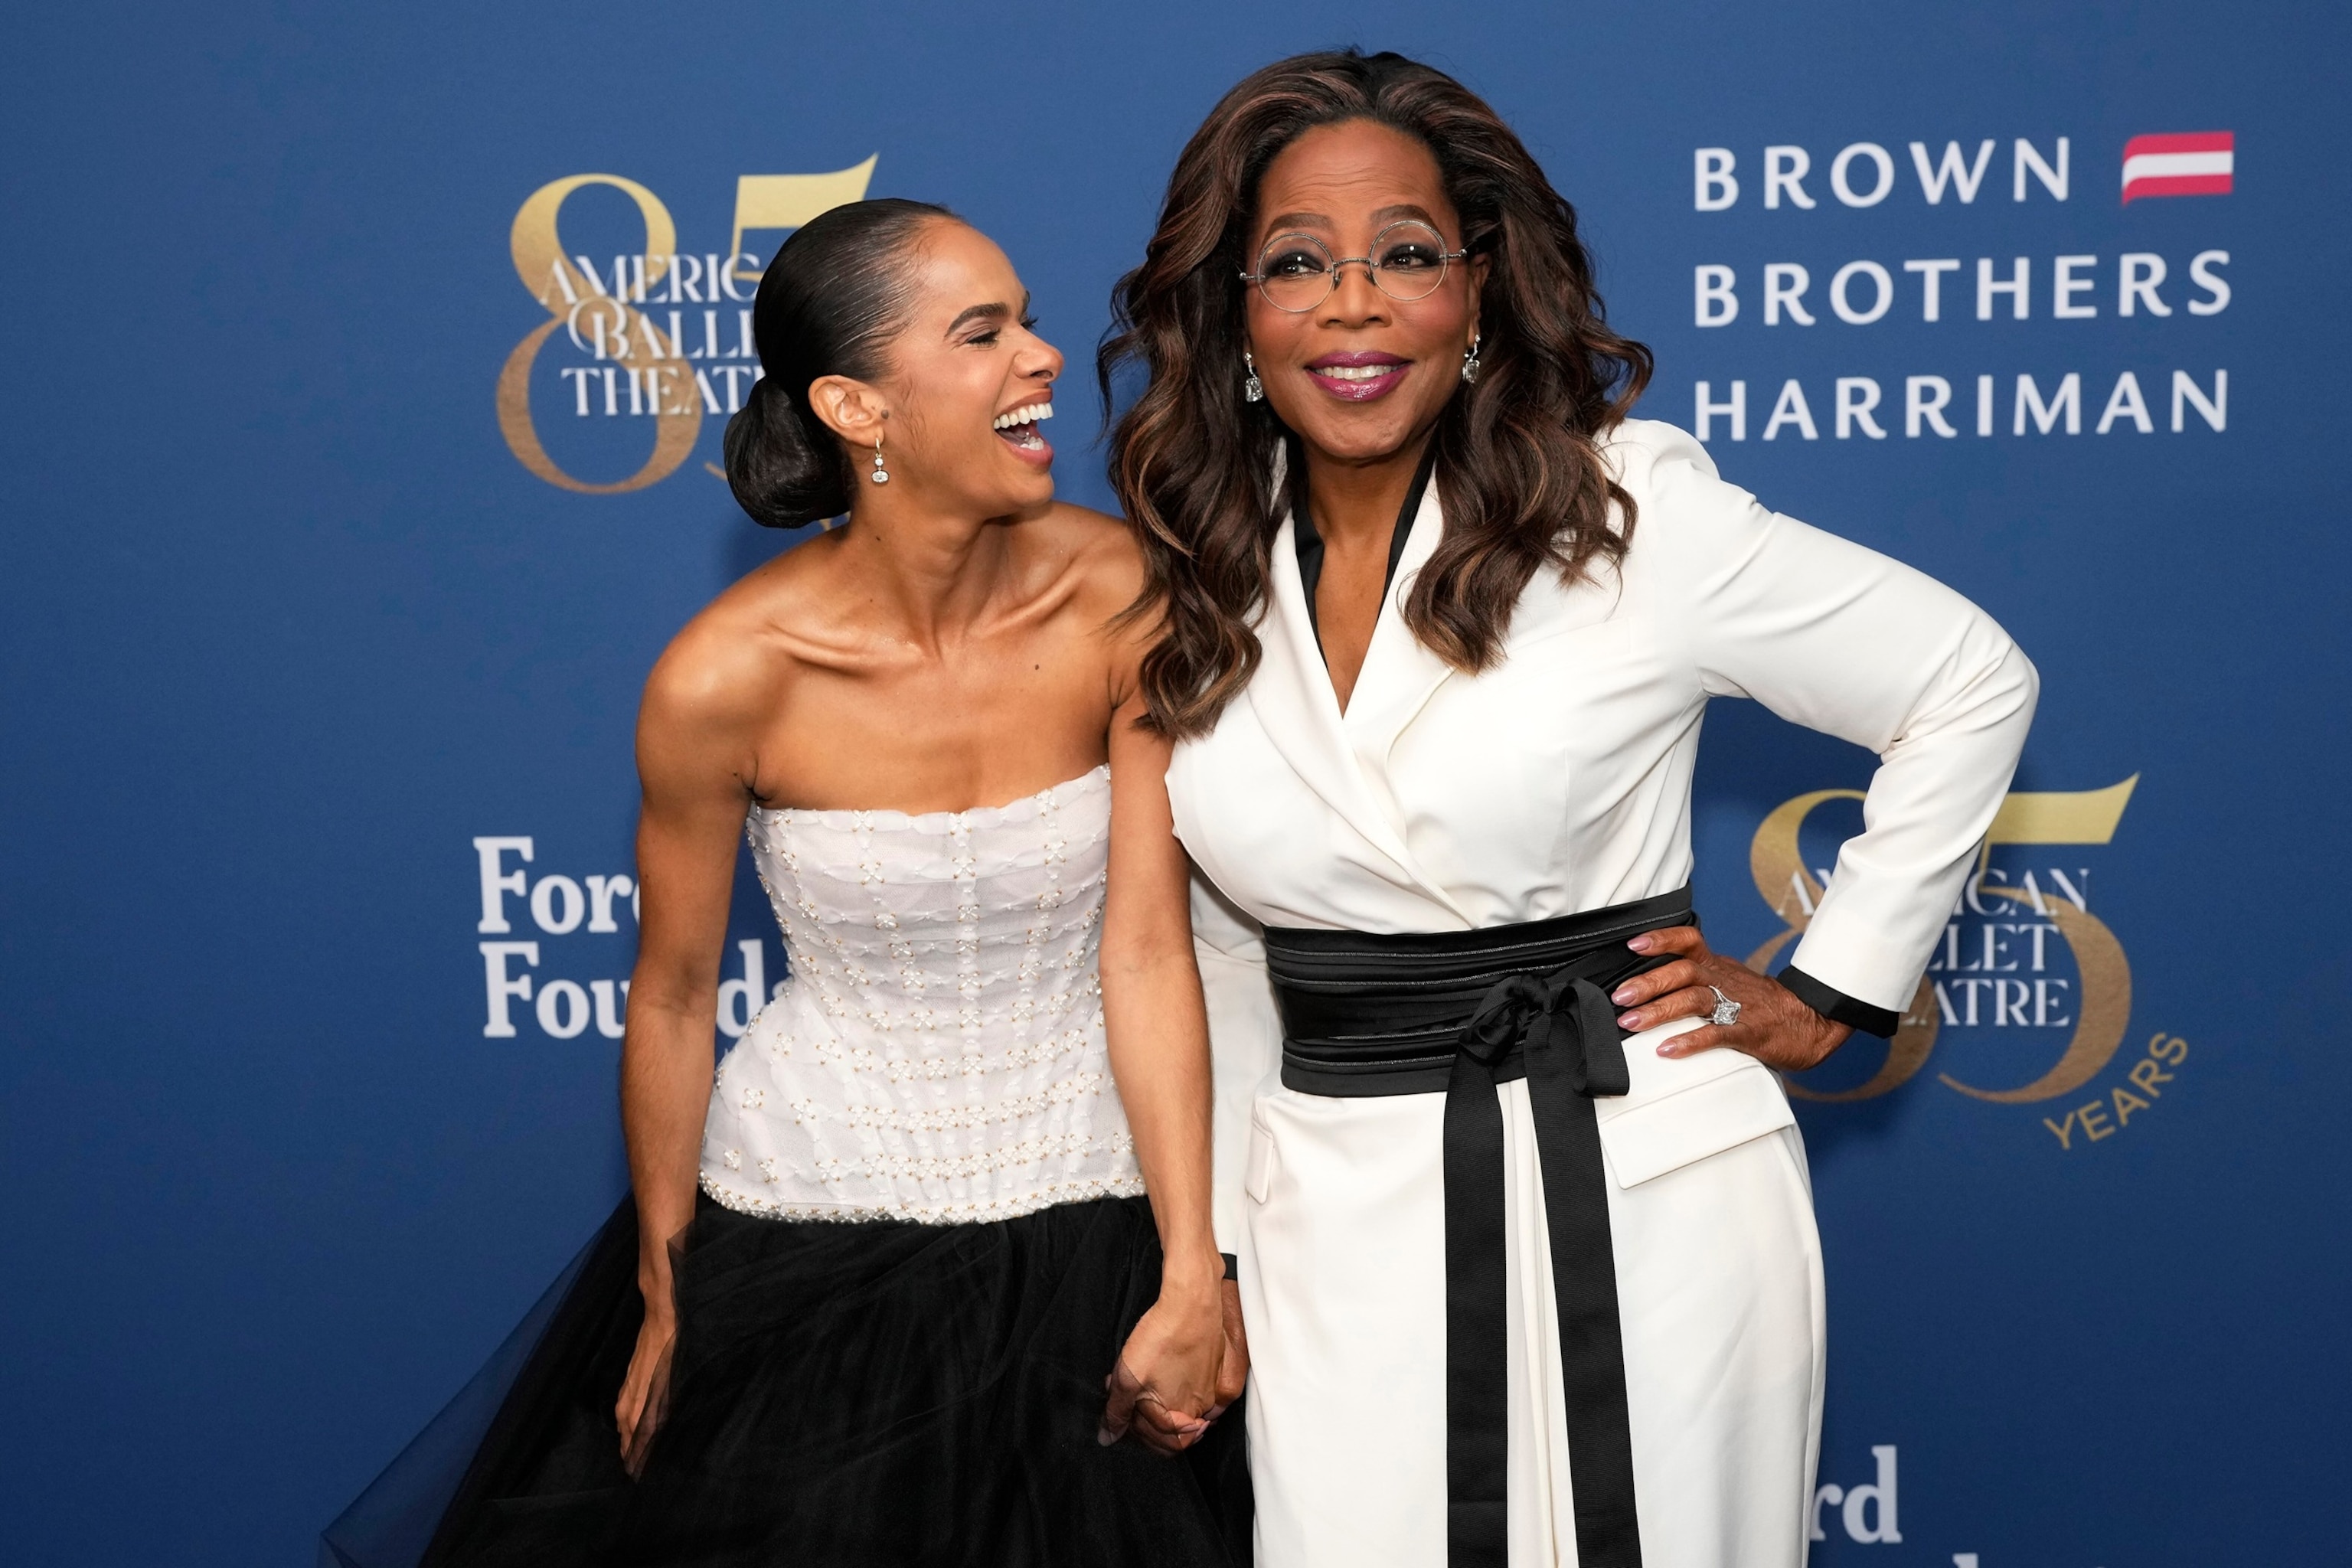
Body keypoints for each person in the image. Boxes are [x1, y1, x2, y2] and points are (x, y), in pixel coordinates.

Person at [1099, 49, 2037, 1568]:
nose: (1353, 303)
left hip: (1647, 1189)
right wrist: (1203, 1259)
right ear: (1235, 310)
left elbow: (1966, 678)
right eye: (1298, 263)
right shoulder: (1197, 574)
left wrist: (1831, 993)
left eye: (1408, 253)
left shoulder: (1623, 515)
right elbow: (1215, 956)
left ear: (1478, 292)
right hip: (1330, 1225)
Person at [328, 198, 1248, 1568]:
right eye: (982, 333)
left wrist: (1192, 1268)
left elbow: (1149, 952)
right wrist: (665, 1284)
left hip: (1103, 1213)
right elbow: (673, 996)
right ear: (853, 406)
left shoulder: (1122, 590)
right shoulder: (724, 676)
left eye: (1027, 320)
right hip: (808, 1241)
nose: (1044, 356)